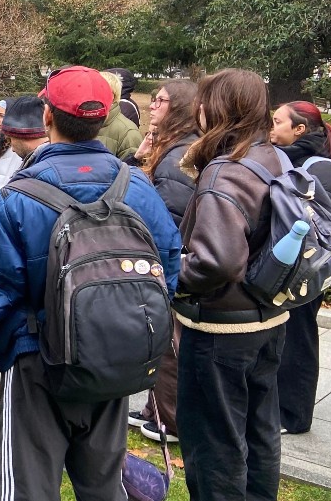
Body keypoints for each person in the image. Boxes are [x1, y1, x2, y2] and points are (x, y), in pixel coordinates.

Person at [0, 66, 181, 501]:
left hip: (36, 360)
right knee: (103, 485)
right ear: (103, 118)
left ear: (47, 117)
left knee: (28, 487)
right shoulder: (135, 185)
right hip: (112, 354)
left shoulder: (18, 196)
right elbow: (168, 264)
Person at [174, 68, 288, 501]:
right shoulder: (270, 156)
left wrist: (169, 274)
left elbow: (217, 262)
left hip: (221, 329)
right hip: (267, 317)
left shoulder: (226, 170)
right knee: (259, 432)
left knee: (214, 443)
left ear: (216, 108)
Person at [268, 100, 331, 435]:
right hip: (294, 263)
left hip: (307, 267)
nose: (272, 127)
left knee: (299, 337)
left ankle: (293, 415)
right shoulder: (298, 160)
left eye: (278, 121)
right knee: (288, 334)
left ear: (299, 129)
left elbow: (323, 230)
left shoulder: (322, 171)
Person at [126, 79, 199, 443]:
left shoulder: (176, 157)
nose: (152, 105)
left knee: (168, 344)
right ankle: (154, 409)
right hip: (164, 261)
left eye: (161, 101)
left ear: (180, 108)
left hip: (165, 262)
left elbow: (168, 220)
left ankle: (168, 419)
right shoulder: (170, 149)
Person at [96, 71, 142, 161]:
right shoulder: (80, 123)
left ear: (111, 96)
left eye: (96, 90)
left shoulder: (128, 133)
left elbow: (130, 167)